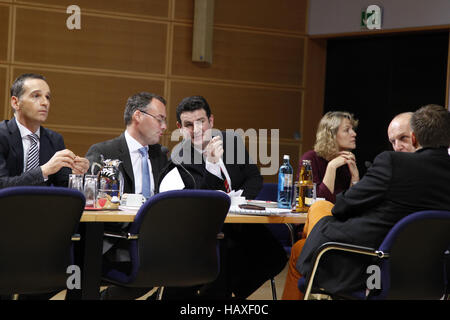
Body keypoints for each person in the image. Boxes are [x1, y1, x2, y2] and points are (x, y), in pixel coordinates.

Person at [295, 104, 450, 297]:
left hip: (365, 266)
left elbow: (341, 207)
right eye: (393, 141)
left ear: (414, 137)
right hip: (428, 275)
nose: (397, 147)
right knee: (306, 236)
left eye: (402, 138)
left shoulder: (393, 163)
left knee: (318, 213)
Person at [161, 95, 287, 299]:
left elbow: (253, 177)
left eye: (201, 121)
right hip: (205, 232)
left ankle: (229, 294)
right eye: (188, 125)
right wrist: (211, 165)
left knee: (275, 256)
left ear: (211, 121)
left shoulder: (230, 141)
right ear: (180, 128)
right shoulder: (179, 159)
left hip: (239, 222)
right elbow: (201, 201)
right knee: (223, 256)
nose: (197, 129)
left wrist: (237, 203)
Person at [85, 92, 169, 299]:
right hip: (117, 240)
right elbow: (91, 200)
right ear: (138, 116)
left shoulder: (161, 155)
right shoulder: (104, 152)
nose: (165, 127)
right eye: (160, 119)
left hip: (155, 240)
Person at [282, 111, 360, 299]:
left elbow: (355, 205)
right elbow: (318, 203)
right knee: (301, 247)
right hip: (316, 228)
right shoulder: (310, 159)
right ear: (331, 134)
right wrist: (332, 167)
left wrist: (356, 178)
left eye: (353, 130)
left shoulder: (348, 162)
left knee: (299, 250)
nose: (354, 134)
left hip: (339, 232)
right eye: (347, 130)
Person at [0, 73, 89, 188]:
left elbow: (64, 188)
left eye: (47, 97)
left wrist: (77, 175)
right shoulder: (2, 135)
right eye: (36, 96)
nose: (45, 103)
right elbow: (1, 184)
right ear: (15, 103)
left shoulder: (55, 140)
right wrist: (43, 171)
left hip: (43, 205)